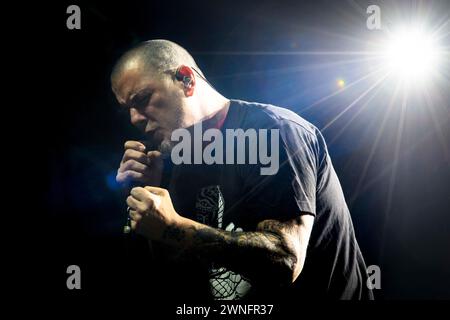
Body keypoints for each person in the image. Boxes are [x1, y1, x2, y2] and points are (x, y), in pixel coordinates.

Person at [111, 39, 373, 301]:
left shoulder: (272, 131)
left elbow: (286, 260)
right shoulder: (172, 165)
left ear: (186, 80)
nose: (135, 118)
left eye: (143, 99)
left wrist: (173, 226)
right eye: (128, 110)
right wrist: (142, 197)